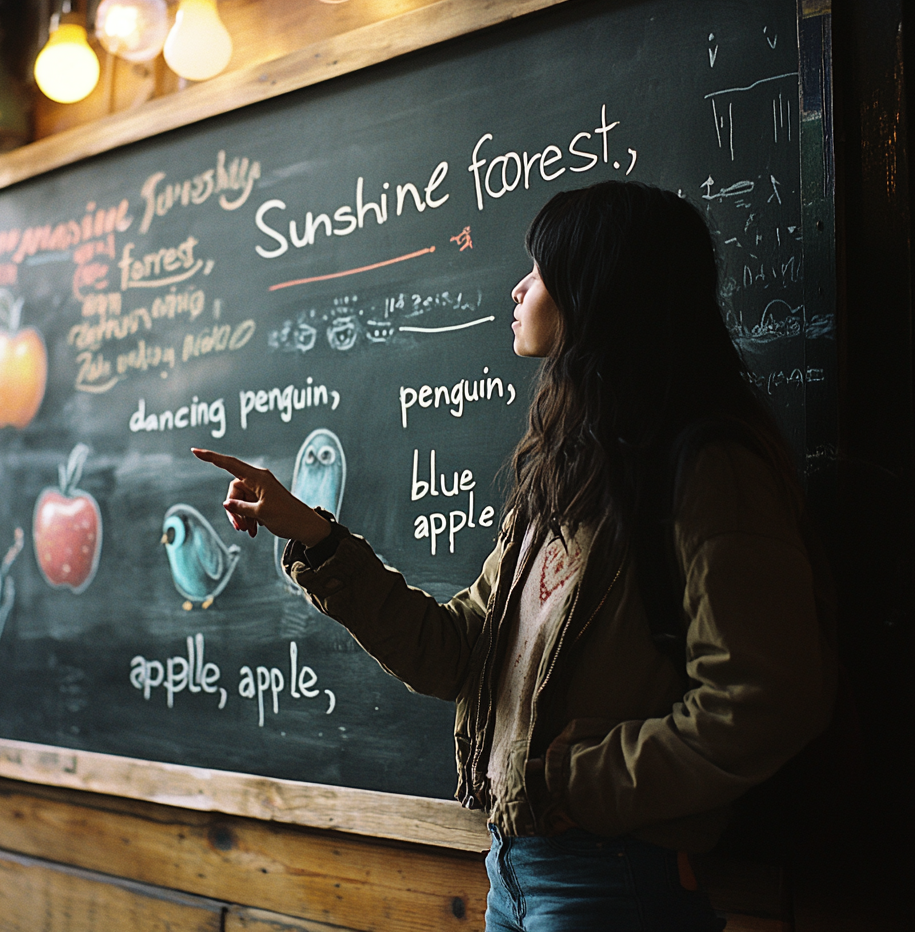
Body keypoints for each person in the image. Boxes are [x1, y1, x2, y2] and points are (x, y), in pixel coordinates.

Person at [193, 181, 836, 932]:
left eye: (540, 269)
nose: (519, 286)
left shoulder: (707, 470)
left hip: (616, 877)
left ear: (597, 293)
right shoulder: (569, 477)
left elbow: (764, 702)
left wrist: (570, 779)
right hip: (514, 869)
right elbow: (455, 655)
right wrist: (314, 538)